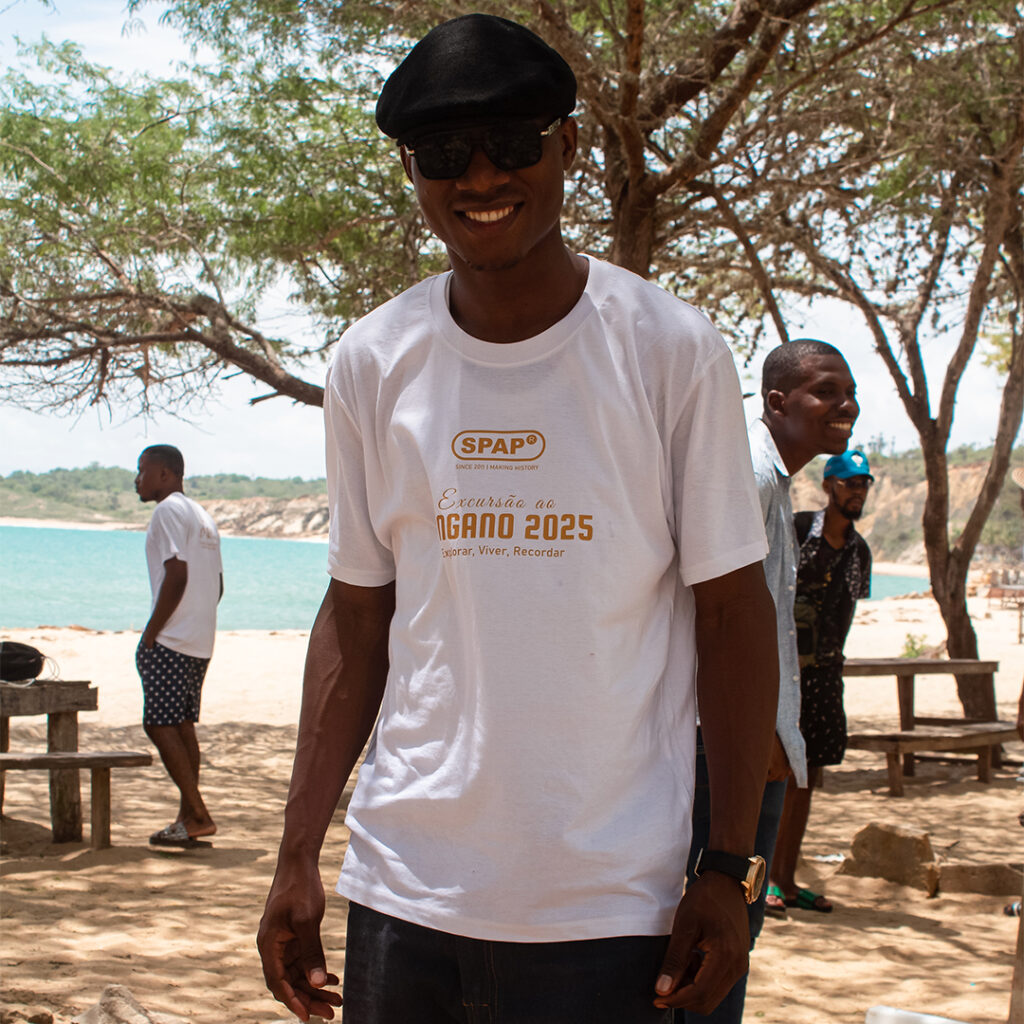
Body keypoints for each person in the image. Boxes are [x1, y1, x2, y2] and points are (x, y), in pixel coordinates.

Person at [258, 14, 781, 1022]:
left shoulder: (670, 352)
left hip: (612, 910)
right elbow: (357, 616)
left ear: (569, 147)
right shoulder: (372, 361)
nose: (482, 177)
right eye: (444, 154)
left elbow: (731, 614)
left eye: (512, 144)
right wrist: (296, 853)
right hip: (403, 895)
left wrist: (727, 867)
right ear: (412, 171)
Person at [683, 338, 859, 1023]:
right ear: (777, 402)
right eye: (826, 391)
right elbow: (717, 620)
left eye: (849, 394)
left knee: (734, 934)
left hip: (754, 738)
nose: (845, 406)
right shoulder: (749, 477)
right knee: (717, 939)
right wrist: (756, 738)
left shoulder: (772, 480)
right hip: (725, 745)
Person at [765, 448, 873, 915]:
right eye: (850, 483)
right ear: (830, 485)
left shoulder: (859, 552)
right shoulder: (797, 529)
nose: (858, 491)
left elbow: (846, 613)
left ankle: (787, 880)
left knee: (807, 778)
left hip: (826, 676)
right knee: (774, 772)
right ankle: (763, 879)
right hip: (783, 670)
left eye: (864, 483)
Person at [134, 444, 222, 847]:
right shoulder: (202, 516)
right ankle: (188, 818)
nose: (137, 479)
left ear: (165, 474)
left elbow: (177, 573)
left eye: (142, 470)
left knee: (158, 723)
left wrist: (152, 632)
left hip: (171, 639)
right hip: (199, 639)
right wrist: (197, 622)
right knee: (182, 725)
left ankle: (198, 813)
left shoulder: (167, 510)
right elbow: (217, 585)